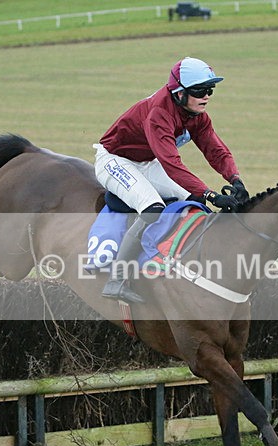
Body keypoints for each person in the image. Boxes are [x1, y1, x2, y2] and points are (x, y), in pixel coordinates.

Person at [93, 57, 249, 304]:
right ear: (179, 92)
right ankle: (117, 279)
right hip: (115, 160)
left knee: (194, 201)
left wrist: (235, 178)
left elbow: (216, 150)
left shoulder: (196, 114)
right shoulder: (159, 113)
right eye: (199, 91)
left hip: (147, 162)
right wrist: (210, 193)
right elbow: (172, 165)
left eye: (210, 90)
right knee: (153, 208)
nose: (206, 96)